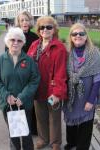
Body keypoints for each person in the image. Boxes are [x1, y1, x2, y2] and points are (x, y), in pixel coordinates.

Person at [0, 27, 40, 150]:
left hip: (24, 104)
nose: (15, 43)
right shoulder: (0, 61)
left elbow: (34, 80)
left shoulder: (29, 61)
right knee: (14, 135)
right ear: (7, 42)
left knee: (26, 134)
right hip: (7, 105)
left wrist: (23, 97)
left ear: (23, 43)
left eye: (19, 40)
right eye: (12, 40)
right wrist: (6, 96)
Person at [63, 23, 100, 150]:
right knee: (70, 122)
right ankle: (72, 144)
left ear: (86, 36)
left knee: (85, 124)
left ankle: (82, 147)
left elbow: (98, 79)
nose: (78, 36)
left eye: (81, 33)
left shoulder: (94, 53)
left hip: (87, 97)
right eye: (74, 34)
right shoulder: (67, 53)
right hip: (71, 98)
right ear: (70, 37)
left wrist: (91, 100)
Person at [27, 16, 67, 150]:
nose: (45, 29)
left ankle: (55, 142)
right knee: (40, 117)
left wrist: (57, 93)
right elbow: (27, 65)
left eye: (49, 27)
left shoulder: (59, 47)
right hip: (38, 90)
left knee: (54, 117)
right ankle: (43, 139)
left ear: (54, 29)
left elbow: (61, 72)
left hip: (52, 91)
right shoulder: (34, 45)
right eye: (42, 27)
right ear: (38, 30)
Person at [13, 10, 39, 135]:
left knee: (31, 101)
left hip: (31, 74)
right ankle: (19, 128)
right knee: (19, 99)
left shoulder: (35, 37)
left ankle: (33, 128)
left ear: (30, 22)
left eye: (27, 20)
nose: (25, 22)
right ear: (18, 22)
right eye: (22, 20)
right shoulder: (14, 36)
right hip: (18, 74)